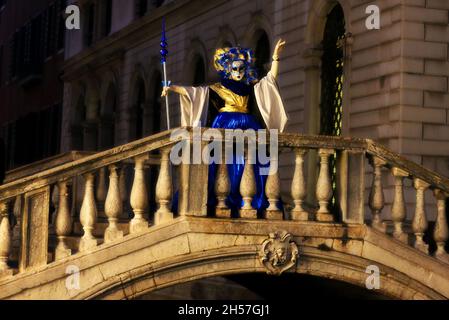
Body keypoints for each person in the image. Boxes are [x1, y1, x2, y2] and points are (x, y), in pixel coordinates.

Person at [162, 39, 288, 216]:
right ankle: (223, 200)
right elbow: (195, 93)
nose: (238, 72)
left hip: (249, 127)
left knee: (251, 162)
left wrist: (275, 58)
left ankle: (250, 201)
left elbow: (270, 80)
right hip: (224, 126)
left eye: (241, 69)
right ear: (228, 69)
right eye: (235, 69)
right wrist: (172, 88)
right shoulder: (217, 89)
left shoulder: (250, 88)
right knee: (223, 162)